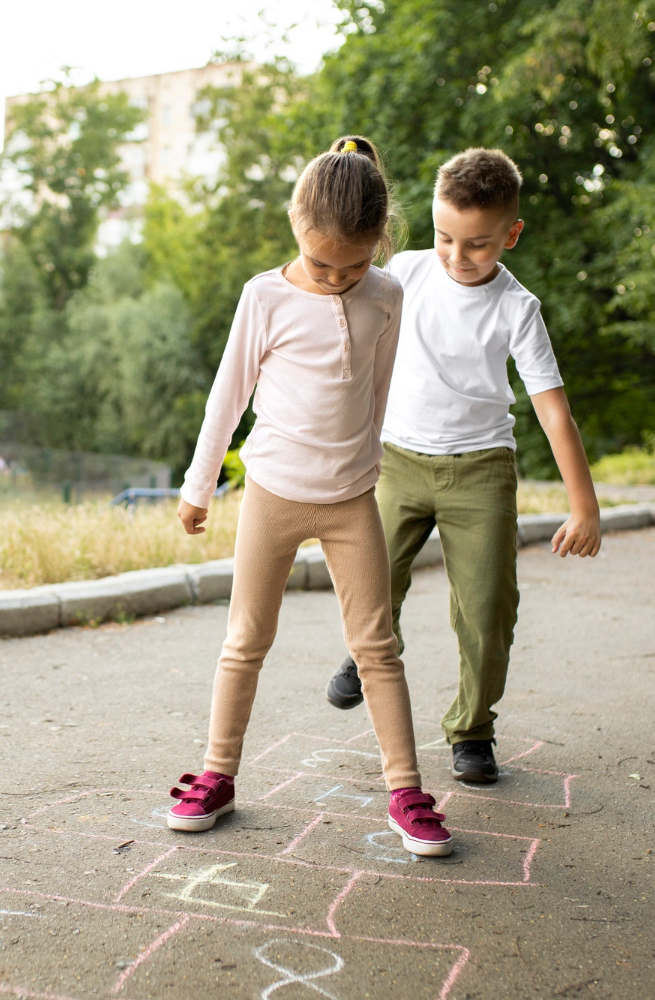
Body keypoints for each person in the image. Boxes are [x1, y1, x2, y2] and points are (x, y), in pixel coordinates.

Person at [166, 136, 451, 859]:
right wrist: (200, 486)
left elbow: (380, 389)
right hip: (272, 492)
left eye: (352, 264)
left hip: (352, 497)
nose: (334, 278)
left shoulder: (388, 292)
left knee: (377, 646)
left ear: (379, 243)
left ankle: (406, 788)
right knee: (244, 641)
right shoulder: (263, 296)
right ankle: (218, 774)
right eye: (321, 263)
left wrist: (373, 463)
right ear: (295, 223)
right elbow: (225, 398)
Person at [322, 148, 602, 785]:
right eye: (445, 236)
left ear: (511, 235)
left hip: (480, 470)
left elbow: (554, 413)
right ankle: (366, 654)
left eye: (477, 244)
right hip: (396, 460)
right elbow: (340, 306)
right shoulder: (406, 271)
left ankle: (473, 728)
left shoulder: (517, 308)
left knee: (487, 607)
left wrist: (584, 506)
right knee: (372, 580)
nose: (457, 256)